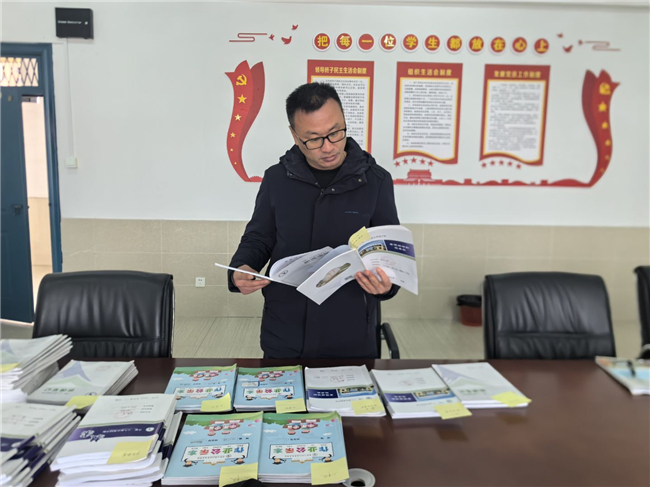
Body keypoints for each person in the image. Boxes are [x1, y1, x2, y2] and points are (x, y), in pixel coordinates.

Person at [228, 82, 399, 359]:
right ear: (295, 136)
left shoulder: (375, 181)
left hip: (350, 330)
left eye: (335, 133)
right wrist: (241, 267)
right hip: (286, 328)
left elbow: (388, 253)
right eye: (314, 139)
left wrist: (387, 285)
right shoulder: (277, 179)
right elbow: (259, 237)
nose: (328, 147)